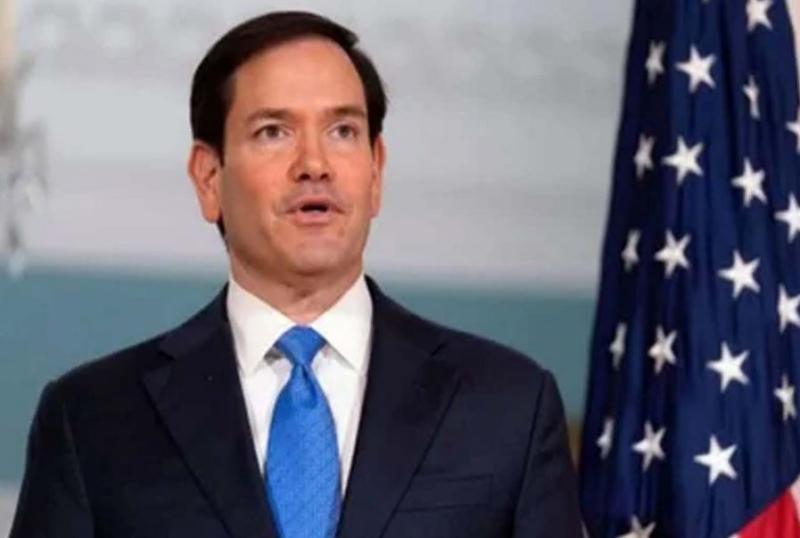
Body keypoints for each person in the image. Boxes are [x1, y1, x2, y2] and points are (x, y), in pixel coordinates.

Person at [10, 11, 582, 538]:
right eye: (273, 132)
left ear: (376, 171)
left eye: (343, 131)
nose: (314, 164)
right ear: (208, 178)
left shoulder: (509, 406)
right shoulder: (92, 420)